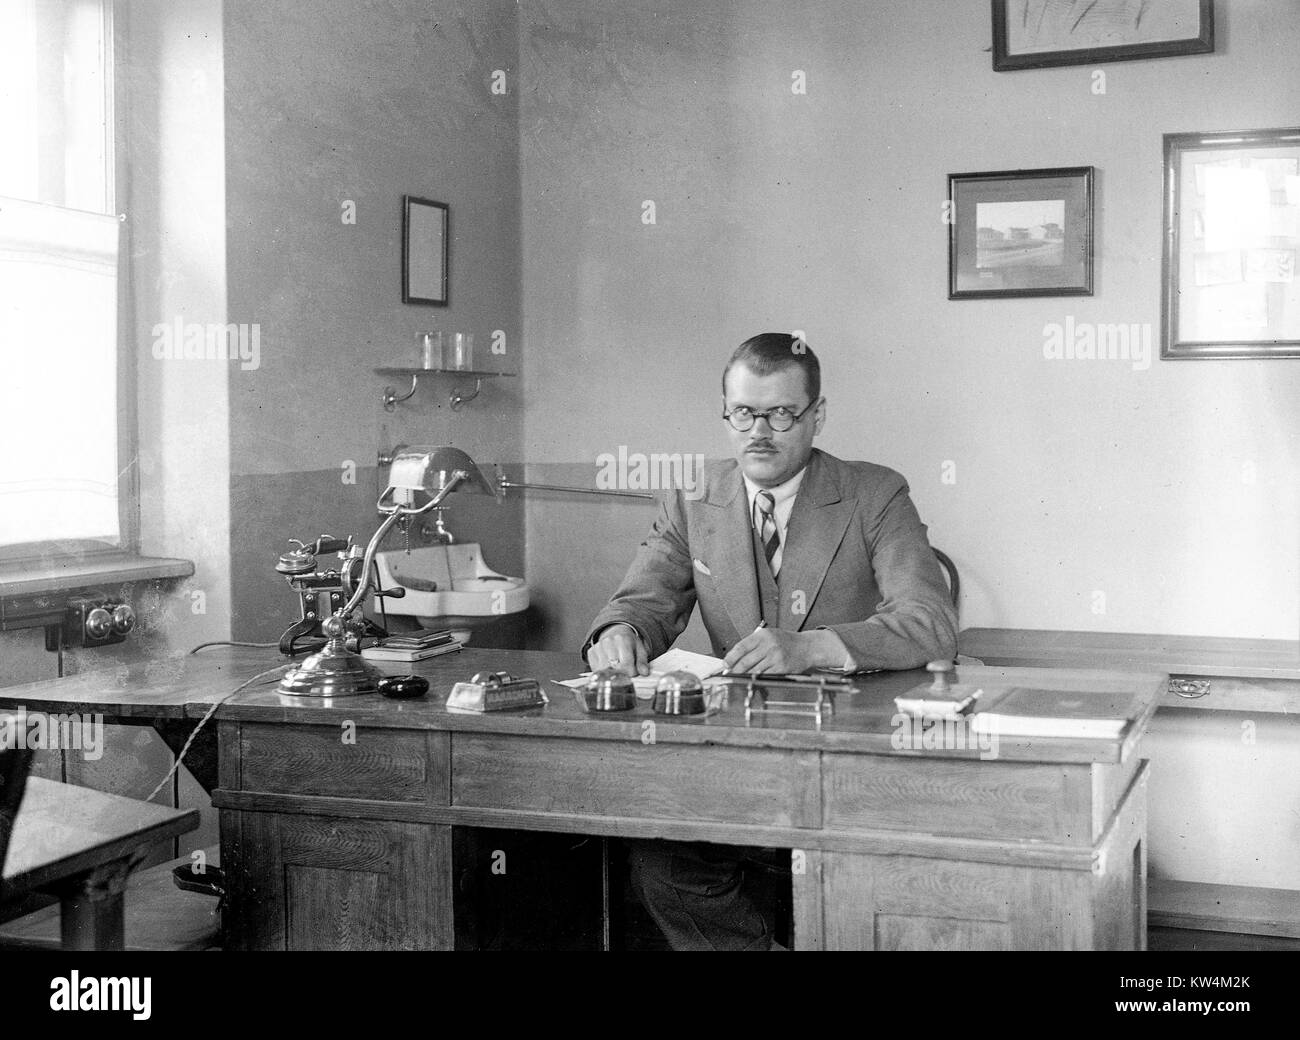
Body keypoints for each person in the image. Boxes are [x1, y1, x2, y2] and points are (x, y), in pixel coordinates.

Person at [583, 332, 957, 950]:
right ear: (726, 413)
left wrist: (812, 647)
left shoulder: (874, 493)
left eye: (782, 413)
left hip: (854, 766)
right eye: (743, 413)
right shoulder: (693, 498)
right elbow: (642, 602)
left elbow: (931, 621)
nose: (760, 431)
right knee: (661, 864)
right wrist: (619, 633)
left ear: (818, 415)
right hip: (742, 765)